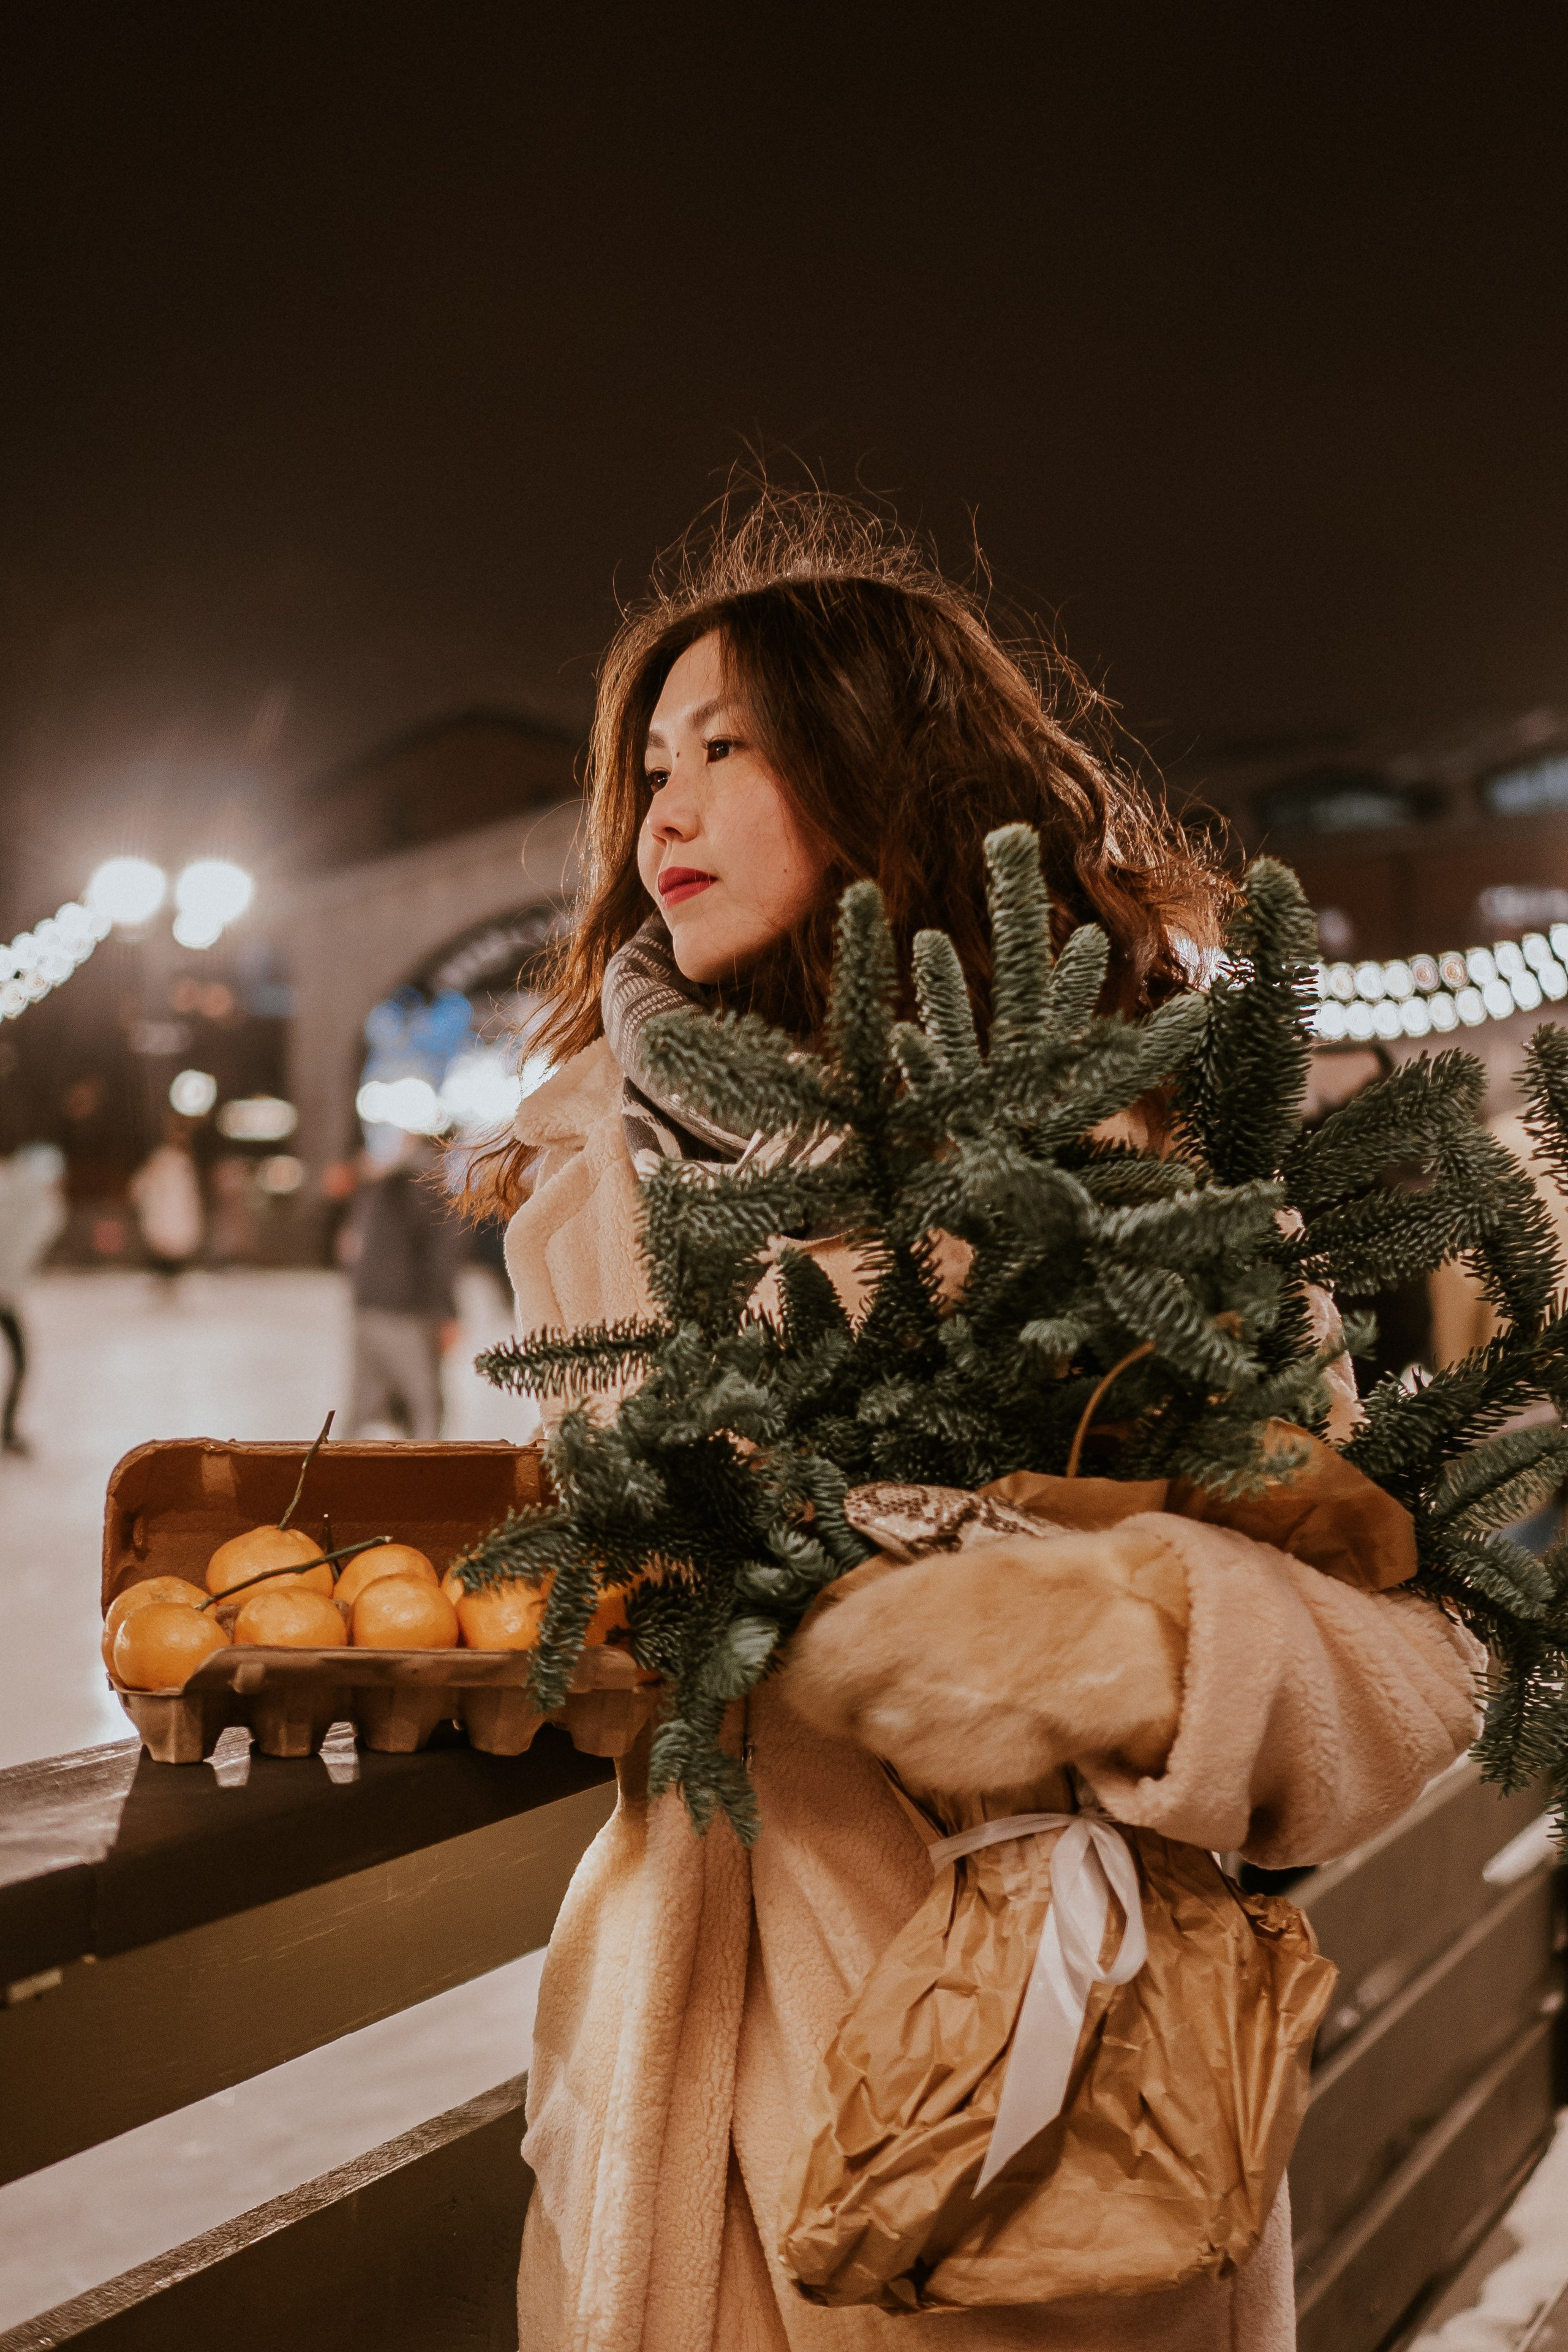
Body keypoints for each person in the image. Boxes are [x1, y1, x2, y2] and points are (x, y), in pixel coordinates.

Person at [478, 496, 1480, 2352]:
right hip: (676, 2064)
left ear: (878, 777)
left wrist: (1112, 1642)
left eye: (724, 752)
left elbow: (1391, 1654)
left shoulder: (1128, 1154)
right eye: (645, 769)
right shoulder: (590, 1162)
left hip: (1030, 2096)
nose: (659, 815)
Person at [344, 1137, 464, 1438]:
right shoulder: (433, 1188)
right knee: (425, 1404)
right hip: (408, 1310)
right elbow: (440, 1257)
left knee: (362, 1405)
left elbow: (354, 1247)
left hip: (368, 1306)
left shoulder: (386, 1183)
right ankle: (428, 1477)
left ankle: (330, 1475)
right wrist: (447, 1313)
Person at [0, 1142, 66, 1455]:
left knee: (22, 1362)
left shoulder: (17, 1194)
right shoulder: (34, 1205)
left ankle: (9, 1430)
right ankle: (8, 1431)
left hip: (6, 1294)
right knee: (21, 1362)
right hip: (4, 1294)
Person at [128, 1122, 204, 1280]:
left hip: (176, 1227)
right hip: (164, 1224)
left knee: (173, 1266)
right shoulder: (162, 1160)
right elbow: (140, 1187)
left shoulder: (185, 1164)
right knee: (164, 1266)